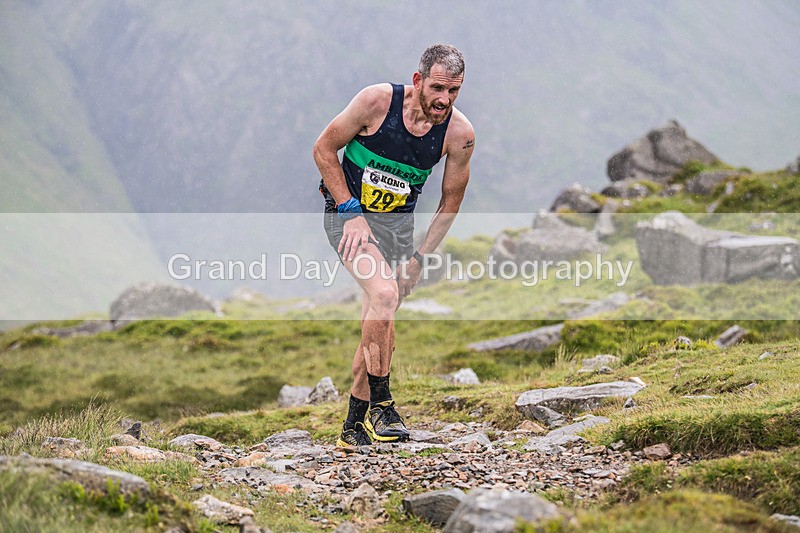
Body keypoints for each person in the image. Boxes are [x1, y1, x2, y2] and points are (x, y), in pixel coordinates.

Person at [312, 44, 475, 446]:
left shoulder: (459, 135)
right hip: (348, 218)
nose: (444, 100)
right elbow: (323, 149)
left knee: (378, 322)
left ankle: (353, 427)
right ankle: (384, 406)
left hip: (396, 232)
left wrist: (420, 259)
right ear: (418, 79)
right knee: (384, 295)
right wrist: (350, 211)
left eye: (453, 91)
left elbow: (451, 202)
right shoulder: (376, 102)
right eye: (437, 88)